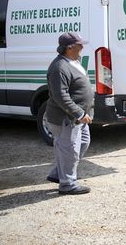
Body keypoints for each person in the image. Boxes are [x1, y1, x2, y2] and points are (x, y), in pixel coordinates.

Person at [45, 32, 93, 195]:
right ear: (70, 47)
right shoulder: (59, 67)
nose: (82, 47)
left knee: (83, 142)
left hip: (77, 117)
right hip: (66, 118)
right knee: (69, 149)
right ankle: (67, 184)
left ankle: (59, 173)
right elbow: (61, 96)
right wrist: (79, 113)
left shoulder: (73, 62)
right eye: (80, 44)